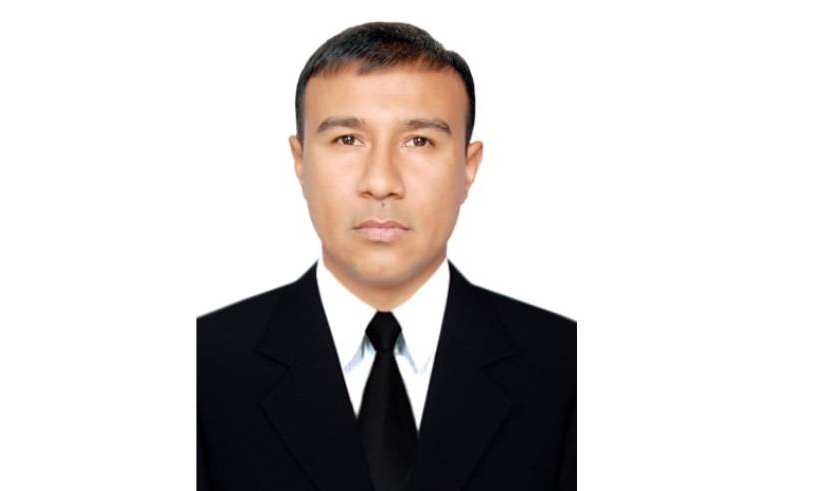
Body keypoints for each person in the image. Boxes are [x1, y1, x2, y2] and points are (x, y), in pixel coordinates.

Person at [197, 21, 575, 491]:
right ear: (300, 161)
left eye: (419, 141)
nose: (380, 182)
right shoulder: (202, 367)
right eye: (347, 140)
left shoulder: (567, 368)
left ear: (467, 166)